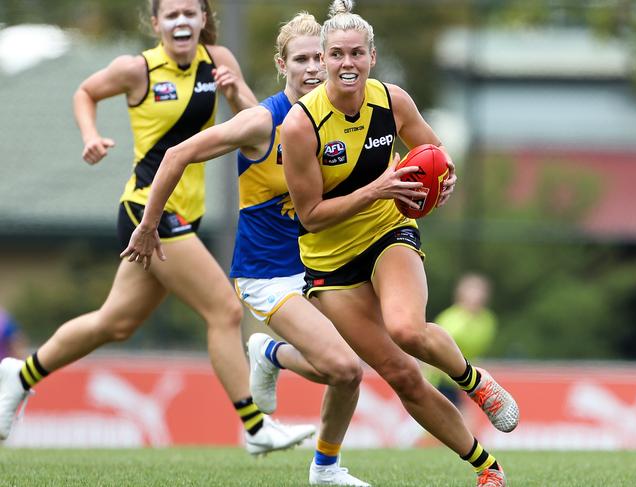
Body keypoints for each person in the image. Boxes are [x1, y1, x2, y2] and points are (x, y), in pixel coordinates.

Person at [0, 0, 315, 454]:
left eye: (191, 12)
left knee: (115, 322)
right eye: (172, 14)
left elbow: (264, 122)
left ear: (204, 19)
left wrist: (232, 94)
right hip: (146, 208)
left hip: (189, 212)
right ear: (156, 24)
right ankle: (254, 427)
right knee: (225, 311)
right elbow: (84, 92)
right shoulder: (137, 70)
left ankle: (21, 373)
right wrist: (90, 136)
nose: (182, 20)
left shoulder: (219, 61)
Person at [122, 11, 369, 486]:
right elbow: (177, 154)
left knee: (351, 372)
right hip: (267, 273)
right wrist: (148, 224)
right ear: (282, 66)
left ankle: (324, 465)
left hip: (322, 265)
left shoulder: (339, 117)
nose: (314, 66)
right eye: (301, 59)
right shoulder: (263, 121)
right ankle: (271, 358)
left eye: (321, 55)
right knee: (344, 367)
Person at [280, 1, 519, 486]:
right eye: (337, 55)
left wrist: (443, 179)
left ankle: (475, 381)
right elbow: (310, 216)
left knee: (408, 330)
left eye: (357, 54)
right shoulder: (301, 125)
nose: (347, 64)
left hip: (389, 232)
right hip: (330, 262)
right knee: (403, 376)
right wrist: (377, 188)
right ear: (322, 60)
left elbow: (436, 155)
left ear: (372, 56)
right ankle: (488, 469)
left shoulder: (392, 101)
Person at [425, 273, 498, 407]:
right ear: (461, 294)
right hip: (442, 380)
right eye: (472, 291)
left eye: (480, 291)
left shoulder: (488, 321)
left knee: (466, 423)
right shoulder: (450, 319)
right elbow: (432, 351)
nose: (477, 296)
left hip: (467, 380)